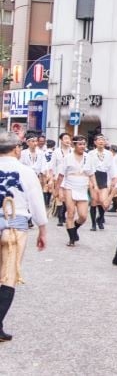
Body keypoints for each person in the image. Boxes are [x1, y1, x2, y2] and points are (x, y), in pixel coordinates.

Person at [0, 132, 47, 341]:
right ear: (17, 149)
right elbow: (36, 202)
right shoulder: (26, 172)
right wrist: (42, 229)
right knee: (8, 277)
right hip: (14, 225)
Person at [54, 135, 98, 246]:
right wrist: (57, 189)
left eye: (84, 144)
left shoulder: (88, 157)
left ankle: (74, 228)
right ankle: (72, 238)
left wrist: (95, 186)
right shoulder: (68, 158)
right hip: (70, 186)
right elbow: (60, 175)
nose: (82, 146)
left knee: (83, 216)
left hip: (83, 187)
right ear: (74, 145)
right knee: (70, 213)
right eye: (80, 144)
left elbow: (91, 174)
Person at [87, 134, 115, 231]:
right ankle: (93, 223)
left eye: (103, 140)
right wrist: (89, 181)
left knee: (104, 201)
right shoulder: (90, 153)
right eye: (99, 140)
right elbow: (88, 168)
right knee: (94, 200)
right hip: (94, 176)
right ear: (95, 142)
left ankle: (100, 218)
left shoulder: (109, 154)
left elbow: (112, 167)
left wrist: (113, 180)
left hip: (104, 177)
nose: (101, 141)